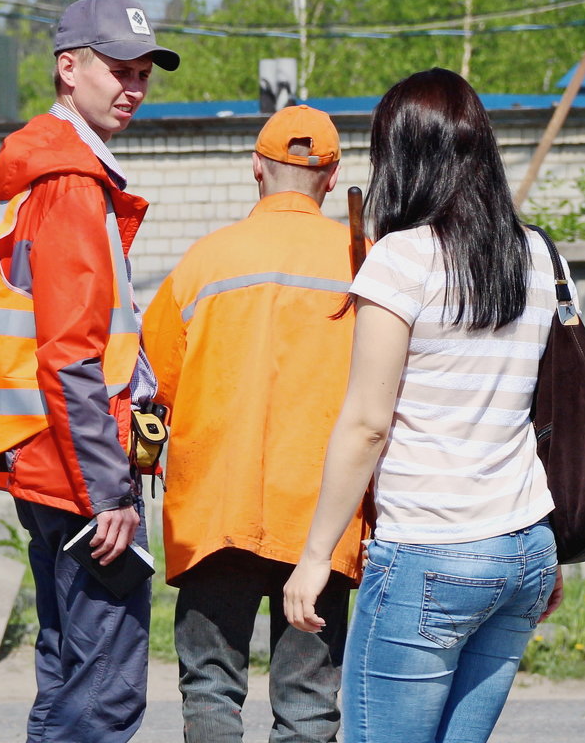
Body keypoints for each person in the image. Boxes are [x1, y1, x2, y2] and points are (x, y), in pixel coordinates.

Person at [283, 68, 566, 743]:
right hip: (524, 544)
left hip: (431, 553)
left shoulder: (400, 260)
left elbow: (366, 422)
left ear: (402, 158)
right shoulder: (532, 253)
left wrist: (317, 553)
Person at [0, 0, 178, 743]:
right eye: (118, 69)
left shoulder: (35, 171)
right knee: (105, 693)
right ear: (68, 68)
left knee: (67, 672)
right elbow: (73, 351)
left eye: (143, 72)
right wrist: (112, 490)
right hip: (84, 472)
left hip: (41, 458)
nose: (133, 87)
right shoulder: (74, 183)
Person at [141, 104, 369, 743]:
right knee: (307, 705)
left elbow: (149, 391)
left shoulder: (204, 263)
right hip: (323, 522)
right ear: (331, 177)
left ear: (254, 168)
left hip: (217, 513)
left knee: (211, 687)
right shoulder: (366, 263)